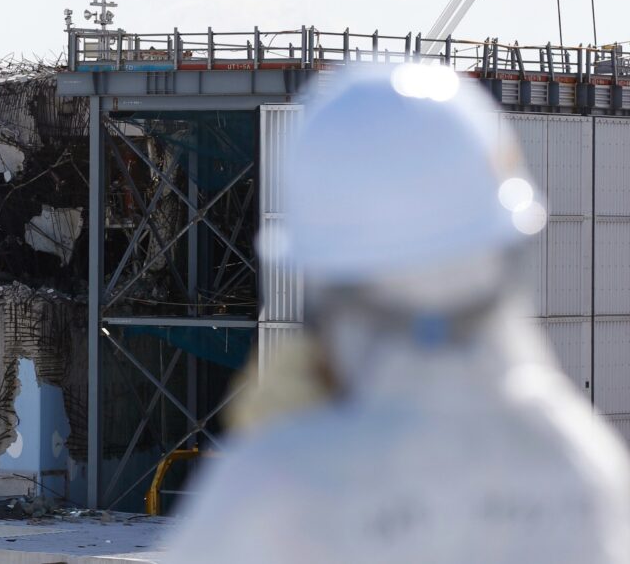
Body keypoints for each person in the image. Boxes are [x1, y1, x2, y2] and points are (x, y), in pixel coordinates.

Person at [164, 63, 630, 563]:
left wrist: (265, 449)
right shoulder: (582, 465)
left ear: (324, 281)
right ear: (506, 252)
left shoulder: (276, 489)